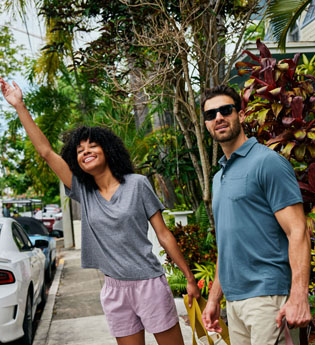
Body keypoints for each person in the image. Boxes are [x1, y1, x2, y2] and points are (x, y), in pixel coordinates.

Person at [0, 77, 200, 345]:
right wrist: (19, 106)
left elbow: (163, 234)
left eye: (92, 146)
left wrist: (189, 277)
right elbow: (46, 151)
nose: (86, 152)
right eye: (80, 150)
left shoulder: (138, 184)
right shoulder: (83, 191)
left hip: (149, 283)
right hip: (115, 288)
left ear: (108, 150)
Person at [200, 85, 311, 345]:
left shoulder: (267, 162)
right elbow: (227, 245)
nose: (218, 118)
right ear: (206, 124)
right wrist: (215, 299)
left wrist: (299, 296)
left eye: (225, 110)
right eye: (210, 114)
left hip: (268, 298)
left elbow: (297, 230)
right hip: (235, 303)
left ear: (240, 114)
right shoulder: (219, 177)